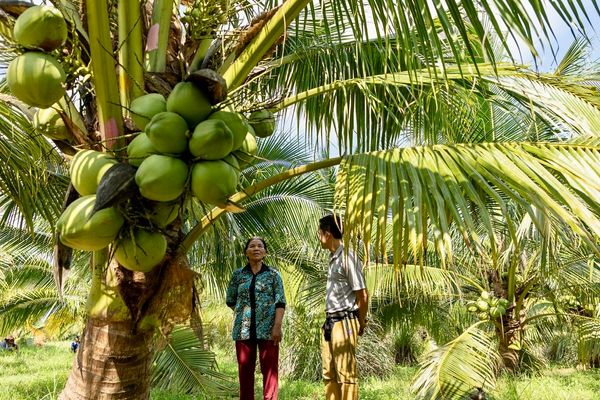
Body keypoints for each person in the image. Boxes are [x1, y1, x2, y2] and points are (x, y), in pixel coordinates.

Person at [226, 237, 286, 400]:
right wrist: (243, 313)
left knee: (270, 371)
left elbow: (280, 302)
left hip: (268, 329)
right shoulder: (238, 275)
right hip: (243, 330)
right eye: (252, 246)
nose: (256, 248)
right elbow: (230, 300)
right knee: (245, 371)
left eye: (260, 246)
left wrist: (277, 326)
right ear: (246, 252)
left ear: (265, 252)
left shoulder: (273, 275)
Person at [318, 214, 368, 400]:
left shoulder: (348, 257)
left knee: (346, 374)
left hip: (345, 320)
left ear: (327, 233)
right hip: (331, 320)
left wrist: (360, 321)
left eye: (319, 232)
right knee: (329, 372)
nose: (318, 236)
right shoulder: (333, 258)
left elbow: (362, 294)